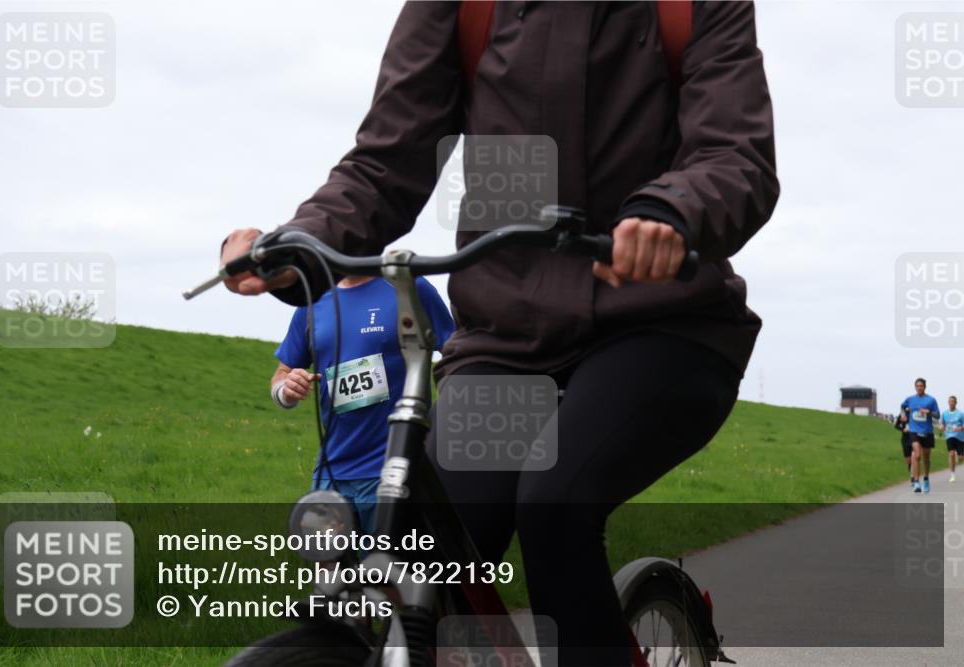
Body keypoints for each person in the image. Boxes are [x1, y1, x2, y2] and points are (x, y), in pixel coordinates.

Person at [221, 3, 778, 664]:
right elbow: (386, 161)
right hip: (506, 337)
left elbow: (735, 154)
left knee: (556, 502)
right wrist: (299, 243)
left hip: (662, 321)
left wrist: (673, 212)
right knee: (426, 549)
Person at [271, 274, 455, 533]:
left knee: (389, 559)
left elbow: (454, 353)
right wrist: (286, 389)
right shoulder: (312, 300)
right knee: (323, 559)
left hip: (395, 468)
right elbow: (282, 373)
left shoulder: (410, 287)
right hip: (331, 471)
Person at [901, 378, 940, 494]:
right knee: (917, 455)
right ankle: (916, 481)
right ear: (915, 387)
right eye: (917, 386)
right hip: (914, 431)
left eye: (921, 386)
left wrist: (929, 412)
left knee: (926, 458)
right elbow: (902, 406)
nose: (919, 388)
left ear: (925, 387)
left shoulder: (931, 400)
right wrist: (903, 416)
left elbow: (937, 415)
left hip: (927, 432)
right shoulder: (910, 399)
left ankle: (926, 479)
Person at [940, 395, 964, 483]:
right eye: (950, 401)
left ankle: (959, 456)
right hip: (949, 436)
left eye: (953, 401)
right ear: (948, 403)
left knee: (961, 458)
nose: (951, 403)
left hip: (960, 437)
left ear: (955, 403)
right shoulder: (944, 413)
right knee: (951, 454)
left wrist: (961, 428)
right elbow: (942, 423)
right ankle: (952, 475)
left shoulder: (960, 414)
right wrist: (941, 427)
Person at [895, 408, 913, 486]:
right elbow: (896, 426)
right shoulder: (902, 414)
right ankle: (910, 468)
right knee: (908, 460)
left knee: (914, 457)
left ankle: (913, 477)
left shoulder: (915, 413)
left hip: (914, 438)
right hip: (905, 439)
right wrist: (903, 429)